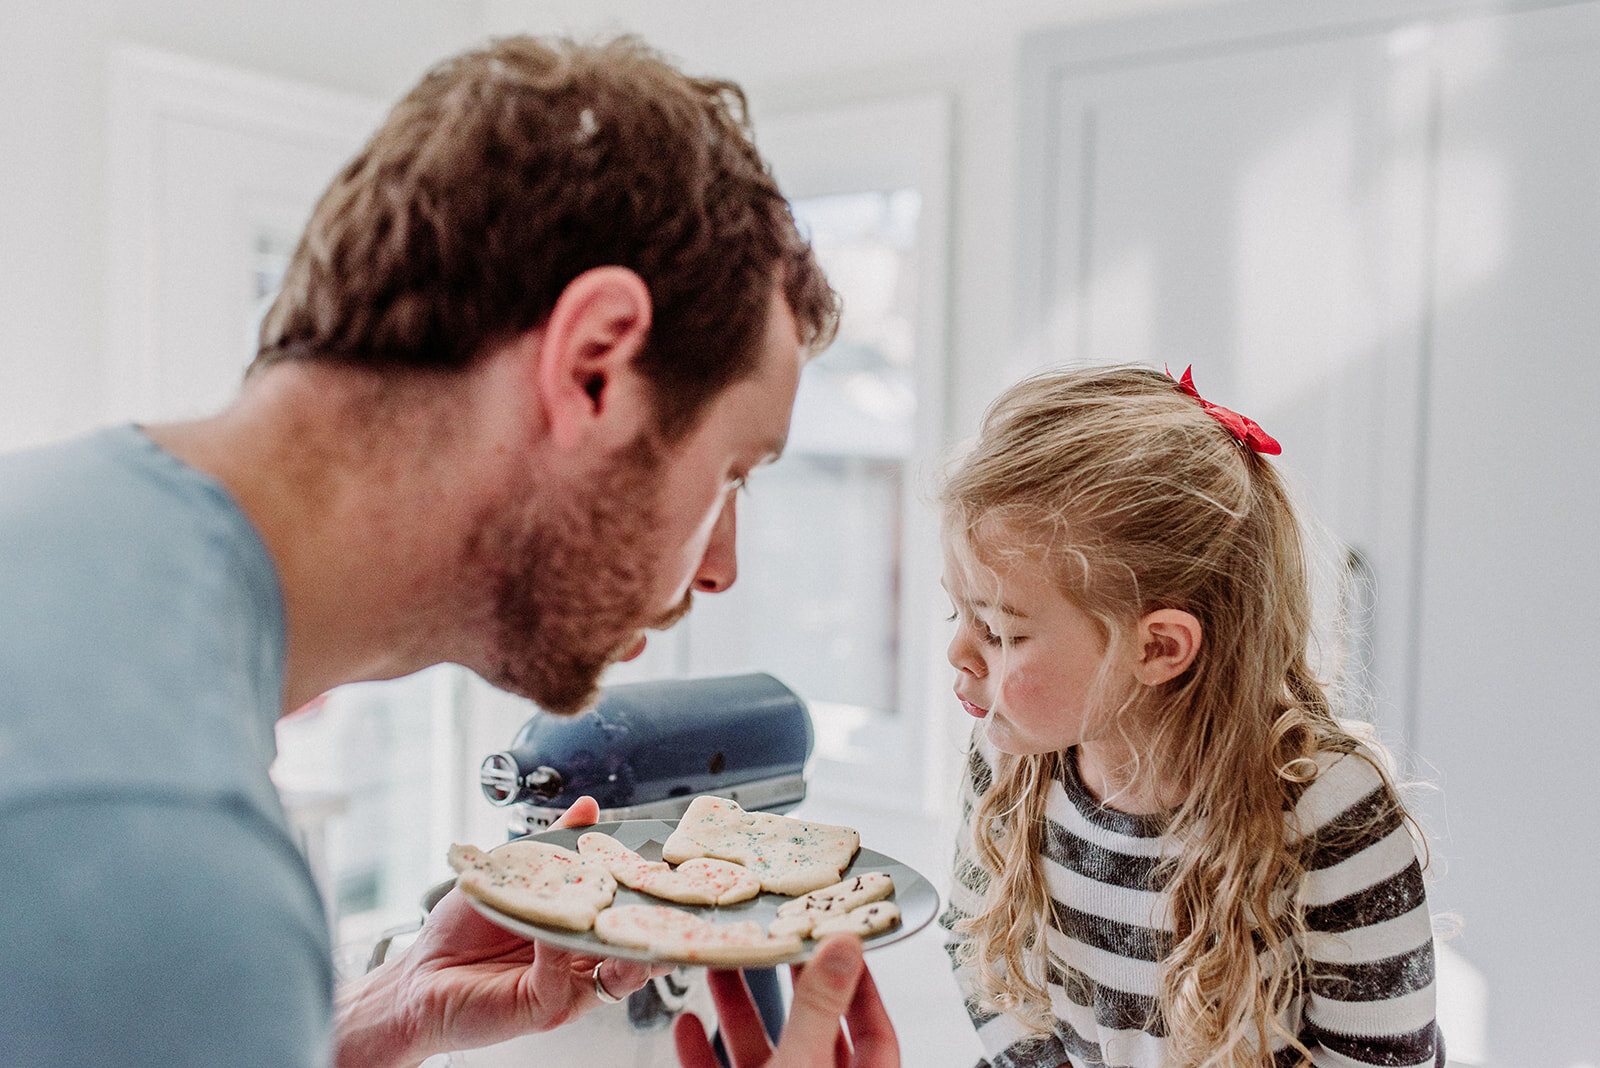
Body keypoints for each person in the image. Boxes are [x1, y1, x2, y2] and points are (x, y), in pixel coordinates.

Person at [0, 34, 896, 1067]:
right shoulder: (158, 856)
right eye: (733, 471)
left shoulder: (54, 533)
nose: (719, 567)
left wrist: (334, 1033)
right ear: (594, 365)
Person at [935, 366, 1442, 1068]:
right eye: (956, 610)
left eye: (1000, 631)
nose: (957, 651)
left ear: (1158, 647)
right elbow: (974, 947)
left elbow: (1382, 1055)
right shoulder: (1008, 760)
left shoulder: (1327, 809)